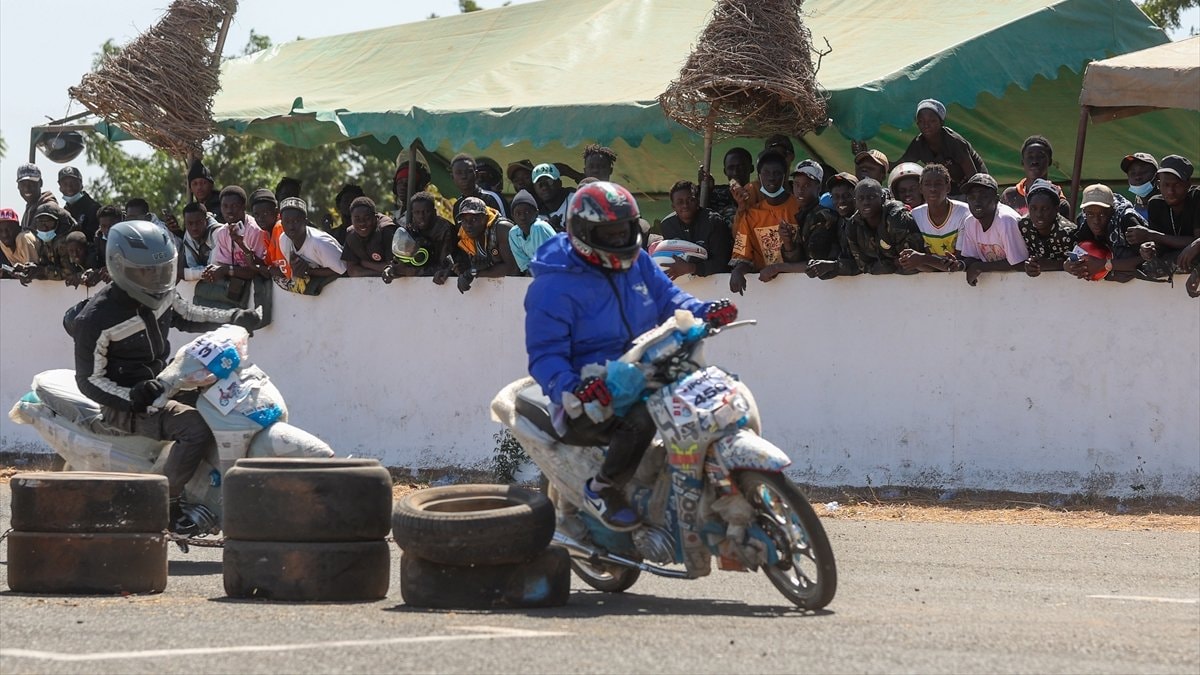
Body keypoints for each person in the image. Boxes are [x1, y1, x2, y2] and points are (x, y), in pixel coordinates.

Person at [524, 180, 738, 530]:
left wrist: (704, 311)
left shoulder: (637, 261)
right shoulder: (552, 287)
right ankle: (602, 488)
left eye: (625, 229)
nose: (620, 239)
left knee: (703, 394)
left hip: (641, 370)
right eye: (609, 233)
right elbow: (545, 355)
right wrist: (574, 387)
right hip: (587, 395)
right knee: (641, 417)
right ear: (582, 232)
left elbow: (670, 299)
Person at [71, 220, 259, 535]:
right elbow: (88, 380)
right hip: (129, 402)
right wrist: (132, 397)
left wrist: (234, 317)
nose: (156, 278)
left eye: (161, 270)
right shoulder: (96, 319)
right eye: (144, 271)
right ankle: (164, 507)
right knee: (195, 428)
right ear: (119, 267)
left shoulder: (163, 294)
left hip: (165, 383)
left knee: (229, 402)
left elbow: (189, 314)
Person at [729, 151, 800, 294]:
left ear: (784, 176)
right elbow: (742, 257)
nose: (771, 178)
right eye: (766, 173)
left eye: (777, 173)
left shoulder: (799, 208)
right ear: (759, 177)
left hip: (799, 285)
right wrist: (738, 271)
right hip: (766, 290)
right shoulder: (751, 215)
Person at [759, 161, 839, 282]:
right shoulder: (802, 215)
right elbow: (797, 262)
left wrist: (777, 267)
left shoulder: (823, 217)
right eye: (796, 184)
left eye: (807, 185)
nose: (800, 190)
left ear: (819, 187)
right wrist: (788, 242)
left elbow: (814, 264)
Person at [1128, 155, 1199, 281]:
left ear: (1188, 184)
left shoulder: (1197, 197)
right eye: (1166, 185)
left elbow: (1196, 242)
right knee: (1148, 267)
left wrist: (1152, 235)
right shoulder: (1155, 204)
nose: (1170, 191)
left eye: (1176, 185)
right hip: (1175, 259)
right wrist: (1149, 249)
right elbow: (1161, 247)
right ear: (1159, 185)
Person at [897, 98, 988, 196]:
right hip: (948, 190)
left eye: (932, 121)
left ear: (941, 122)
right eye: (921, 121)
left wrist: (975, 196)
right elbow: (900, 166)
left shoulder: (954, 141)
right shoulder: (919, 144)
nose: (926, 125)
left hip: (973, 186)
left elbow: (973, 176)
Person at [956, 173, 1028, 286]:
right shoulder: (970, 222)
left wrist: (981, 267)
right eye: (971, 197)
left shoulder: (1006, 220)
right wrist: (960, 265)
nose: (976, 202)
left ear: (996, 199)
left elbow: (1020, 263)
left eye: (983, 196)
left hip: (1021, 285)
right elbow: (972, 258)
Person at [899, 164, 971, 273]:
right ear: (921, 189)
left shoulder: (964, 213)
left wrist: (923, 259)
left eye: (938, 184)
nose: (932, 189)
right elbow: (925, 266)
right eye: (927, 184)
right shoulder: (915, 216)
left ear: (948, 188)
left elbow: (956, 265)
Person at [1065, 184, 1144, 283]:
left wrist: (1106, 265)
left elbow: (1149, 258)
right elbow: (1078, 253)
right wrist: (1070, 265)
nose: (1096, 221)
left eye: (1102, 214)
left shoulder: (1127, 220)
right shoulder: (1084, 222)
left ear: (1111, 210)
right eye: (1090, 214)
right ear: (1084, 211)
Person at [436, 197, 517, 292]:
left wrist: (473, 273)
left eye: (474, 219)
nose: (468, 225)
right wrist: (451, 271)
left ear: (485, 218)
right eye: (464, 220)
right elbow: (470, 267)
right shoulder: (465, 235)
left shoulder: (502, 228)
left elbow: (512, 269)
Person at [658, 180, 733, 279]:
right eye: (680, 202)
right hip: (682, 284)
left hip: (715, 284)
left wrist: (692, 268)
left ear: (697, 201)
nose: (685, 205)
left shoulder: (714, 222)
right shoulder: (667, 225)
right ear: (673, 206)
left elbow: (722, 263)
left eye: (690, 200)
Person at [382, 191, 458, 281]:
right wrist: (390, 269)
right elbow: (401, 258)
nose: (421, 216)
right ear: (412, 213)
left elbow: (446, 267)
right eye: (417, 213)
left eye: (426, 212)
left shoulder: (445, 229)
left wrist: (409, 271)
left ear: (434, 212)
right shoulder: (412, 228)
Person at [277, 197, 347, 290]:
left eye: (296, 221)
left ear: (305, 222)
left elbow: (344, 270)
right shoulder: (284, 240)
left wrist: (308, 271)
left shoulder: (320, 242)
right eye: (287, 222)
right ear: (282, 224)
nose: (291, 227)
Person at [203, 186, 268, 286]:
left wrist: (225, 270)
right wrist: (213, 272)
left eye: (234, 206)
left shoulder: (255, 230)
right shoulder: (222, 232)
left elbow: (257, 270)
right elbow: (226, 266)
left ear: (243, 207)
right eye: (225, 206)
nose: (229, 211)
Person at [1019, 179, 1078, 277]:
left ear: (1056, 209)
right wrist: (1030, 265)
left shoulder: (1068, 233)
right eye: (1033, 208)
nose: (1038, 214)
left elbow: (1077, 263)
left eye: (1045, 209)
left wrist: (1049, 264)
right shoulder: (1024, 225)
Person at [1001, 135, 1070, 217]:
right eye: (1030, 157)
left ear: (1050, 161)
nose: (1035, 162)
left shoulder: (1059, 201)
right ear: (1022, 162)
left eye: (1041, 156)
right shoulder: (1010, 196)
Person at [342, 196, 397, 277]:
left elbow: (395, 268)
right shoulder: (351, 234)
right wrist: (380, 273)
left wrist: (365, 264)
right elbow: (353, 271)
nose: (362, 223)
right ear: (351, 219)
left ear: (375, 218)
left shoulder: (387, 230)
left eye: (367, 218)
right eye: (357, 219)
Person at [507, 190, 555, 275]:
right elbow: (524, 265)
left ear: (536, 213)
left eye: (527, 212)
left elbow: (544, 263)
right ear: (513, 216)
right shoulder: (513, 233)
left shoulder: (538, 227)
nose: (522, 217)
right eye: (518, 214)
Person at [702, 146, 753, 223]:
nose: (736, 172)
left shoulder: (760, 194)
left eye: (741, 167)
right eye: (731, 168)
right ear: (725, 171)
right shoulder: (716, 195)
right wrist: (707, 191)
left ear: (751, 168)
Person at [451, 153, 506, 219]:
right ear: (452, 177)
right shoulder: (458, 206)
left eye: (469, 171)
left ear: (476, 174)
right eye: (459, 173)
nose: (464, 176)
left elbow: (508, 227)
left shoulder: (492, 199)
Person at [58, 166, 101, 242]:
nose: (69, 187)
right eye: (65, 184)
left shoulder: (94, 208)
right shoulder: (63, 211)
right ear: (60, 188)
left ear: (81, 185)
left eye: (73, 183)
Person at [179, 202, 218, 281]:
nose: (194, 228)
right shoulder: (188, 235)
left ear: (206, 221)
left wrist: (186, 274)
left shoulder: (217, 232)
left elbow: (214, 269)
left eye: (198, 223)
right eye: (190, 223)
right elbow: (192, 266)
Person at [532, 163, 576, 232]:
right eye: (540, 184)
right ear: (534, 188)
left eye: (549, 181)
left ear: (559, 183)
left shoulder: (575, 199)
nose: (544, 187)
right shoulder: (536, 216)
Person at [16, 163, 58, 232]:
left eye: (31, 183)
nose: (27, 188)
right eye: (23, 184)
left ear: (40, 183)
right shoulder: (30, 208)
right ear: (18, 186)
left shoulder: (47, 207)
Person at [1121, 153, 1159, 219]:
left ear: (1156, 175)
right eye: (1132, 173)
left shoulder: (1170, 205)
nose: (1137, 177)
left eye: (1144, 172)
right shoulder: (1128, 210)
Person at [0, 207, 37, 275]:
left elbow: (33, 272)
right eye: (0, 231)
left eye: (8, 229)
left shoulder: (24, 238)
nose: (4, 235)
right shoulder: (3, 242)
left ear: (19, 228)